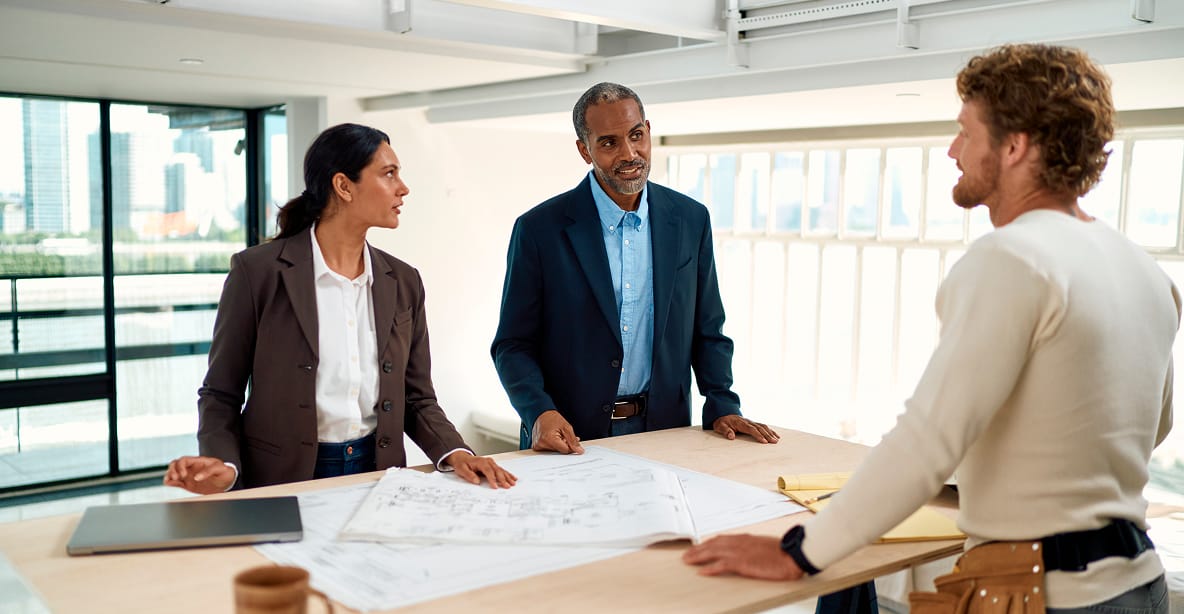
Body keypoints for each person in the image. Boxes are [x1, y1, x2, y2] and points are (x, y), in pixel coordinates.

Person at [684, 43, 1177, 613]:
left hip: (1049, 592)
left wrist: (801, 552)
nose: (952, 149)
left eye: (967, 131)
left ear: (1015, 146)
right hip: (1138, 584)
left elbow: (928, 440)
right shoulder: (1143, 270)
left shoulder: (1012, 258)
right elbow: (1150, 427)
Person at [165, 123, 515, 494]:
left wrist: (456, 451)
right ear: (344, 186)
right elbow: (221, 392)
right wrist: (224, 463)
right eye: (389, 173)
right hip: (282, 477)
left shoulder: (404, 280)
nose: (403, 187)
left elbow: (417, 397)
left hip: (378, 473)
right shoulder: (258, 272)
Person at [491, 82, 780, 454]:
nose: (629, 153)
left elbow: (708, 329)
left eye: (636, 135)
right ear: (585, 150)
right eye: (609, 143)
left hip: (664, 432)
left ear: (648, 130)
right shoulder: (539, 229)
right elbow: (513, 344)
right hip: (568, 436)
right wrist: (538, 411)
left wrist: (722, 403)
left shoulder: (691, 219)